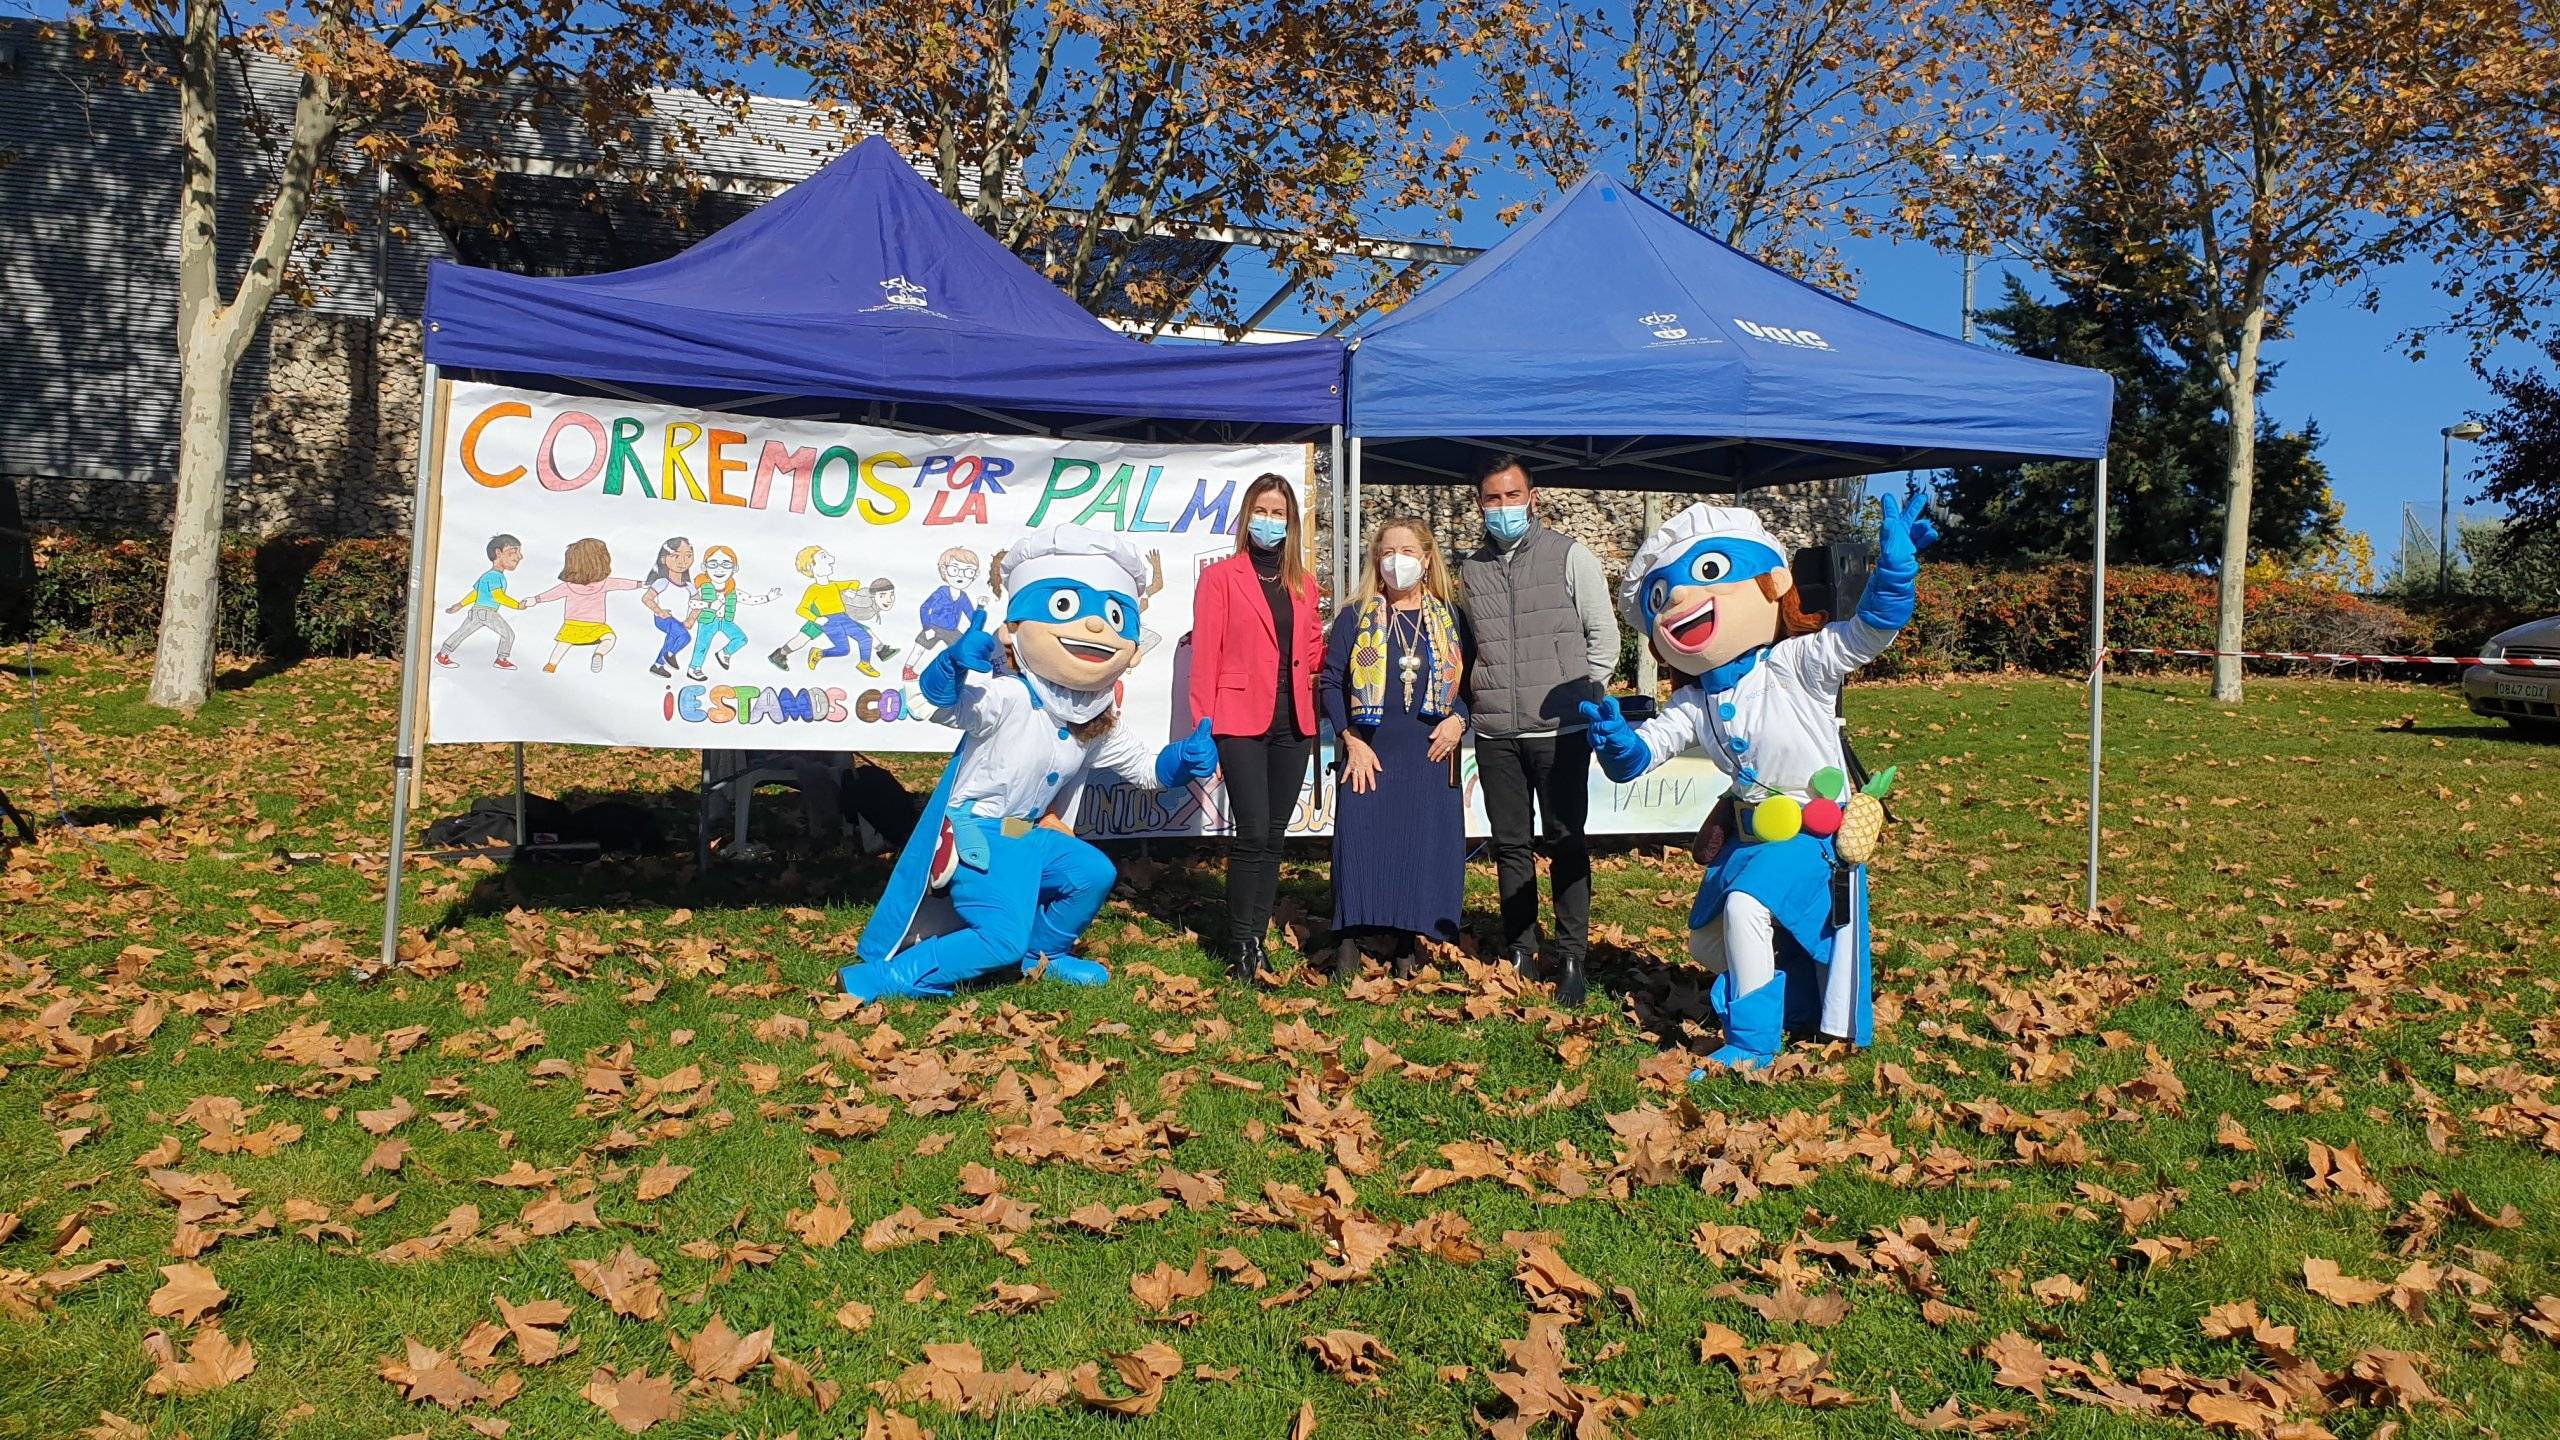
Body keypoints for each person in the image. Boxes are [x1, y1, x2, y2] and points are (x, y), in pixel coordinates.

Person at [1581, 494, 1936, 1071]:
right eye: (1659, 597)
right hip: (1747, 840)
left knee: (1747, 907)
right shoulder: (1695, 700)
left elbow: (1867, 634)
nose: (1679, 602)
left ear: (1772, 582)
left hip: (1813, 836)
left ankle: (1752, 1043)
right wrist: (1617, 742)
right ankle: (1793, 1001)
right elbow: (1643, 755)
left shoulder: (1798, 663)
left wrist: (1893, 572)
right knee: (1709, 941)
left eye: (1707, 574)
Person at [838, 525, 1220, 1002]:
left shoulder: (1093, 718)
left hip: (1022, 831)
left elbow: (1145, 769)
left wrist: (1182, 761)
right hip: (975, 830)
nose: (1098, 628)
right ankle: (888, 978)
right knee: (1000, 936)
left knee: (1091, 872)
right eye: (1066, 607)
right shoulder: (1010, 696)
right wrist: (952, 666)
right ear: (1016, 629)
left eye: (1114, 615)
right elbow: (945, 704)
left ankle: (1046, 953)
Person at [1456, 454, 1618, 1005]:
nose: (1502, 507)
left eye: (1511, 496)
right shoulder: (1470, 570)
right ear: (1480, 504)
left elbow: (1604, 636)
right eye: (1491, 499)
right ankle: (1521, 950)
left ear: (1533, 499)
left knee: (1567, 844)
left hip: (1561, 732)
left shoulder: (1571, 556)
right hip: (1498, 731)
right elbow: (1467, 648)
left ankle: (1572, 956)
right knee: (1510, 846)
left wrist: (1580, 696)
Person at [1188, 473, 1323, 988]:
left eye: (1279, 513)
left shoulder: (1304, 585)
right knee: (1250, 835)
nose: (1270, 521)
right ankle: (1241, 942)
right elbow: (1206, 658)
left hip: (1295, 723)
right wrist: (1204, 726)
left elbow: (1310, 652)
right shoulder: (1221, 578)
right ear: (1247, 518)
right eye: (1262, 511)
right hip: (1239, 719)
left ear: (1292, 522)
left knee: (1273, 836)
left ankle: (1258, 937)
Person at [1319, 517, 1468, 981]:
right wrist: (1350, 738)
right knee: (1360, 842)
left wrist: (1459, 720)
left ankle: (1407, 939)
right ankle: (1349, 937)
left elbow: (1471, 684)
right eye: (1386, 552)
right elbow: (1329, 681)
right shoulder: (1355, 614)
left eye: (1406, 551)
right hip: (1370, 749)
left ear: (1426, 559)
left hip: (1427, 752)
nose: (1395, 561)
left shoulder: (1449, 617)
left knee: (1416, 846)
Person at [527, 538, 642, 674]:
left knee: (563, 644)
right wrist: (641, 584)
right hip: (597, 626)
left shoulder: (568, 586)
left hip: (572, 625)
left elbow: (550, 595)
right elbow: (623, 584)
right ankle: (599, 654)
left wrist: (535, 599)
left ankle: (551, 665)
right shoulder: (605, 583)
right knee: (610, 638)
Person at [684, 545, 781, 681]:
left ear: (735, 568)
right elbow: (693, 603)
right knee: (702, 645)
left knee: (741, 638)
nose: (719, 568)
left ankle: (724, 653)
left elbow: (750, 599)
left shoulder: (732, 591)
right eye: (713, 564)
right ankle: (694, 668)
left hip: (725, 621)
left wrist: (768, 597)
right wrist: (709, 604)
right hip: (707, 621)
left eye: (726, 564)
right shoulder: (703, 588)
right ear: (704, 567)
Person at [436, 533, 523, 669]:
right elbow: (498, 597)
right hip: (488, 612)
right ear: (498, 553)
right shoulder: (495, 576)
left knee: (461, 633)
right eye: (513, 552)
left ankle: (442, 654)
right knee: (508, 634)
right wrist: (517, 605)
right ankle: (501, 659)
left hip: (477, 611)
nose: (519, 557)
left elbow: (476, 593)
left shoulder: (487, 575)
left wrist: (460, 605)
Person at [642, 536, 695, 678]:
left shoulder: (690, 586)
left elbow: (698, 605)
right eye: (676, 556)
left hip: (679, 620)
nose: (683, 561)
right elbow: (647, 598)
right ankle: (670, 654)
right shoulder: (663, 581)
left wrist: (691, 619)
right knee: (684, 637)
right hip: (664, 618)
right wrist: (659, 611)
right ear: (664, 559)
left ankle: (658, 666)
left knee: (671, 640)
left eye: (688, 556)